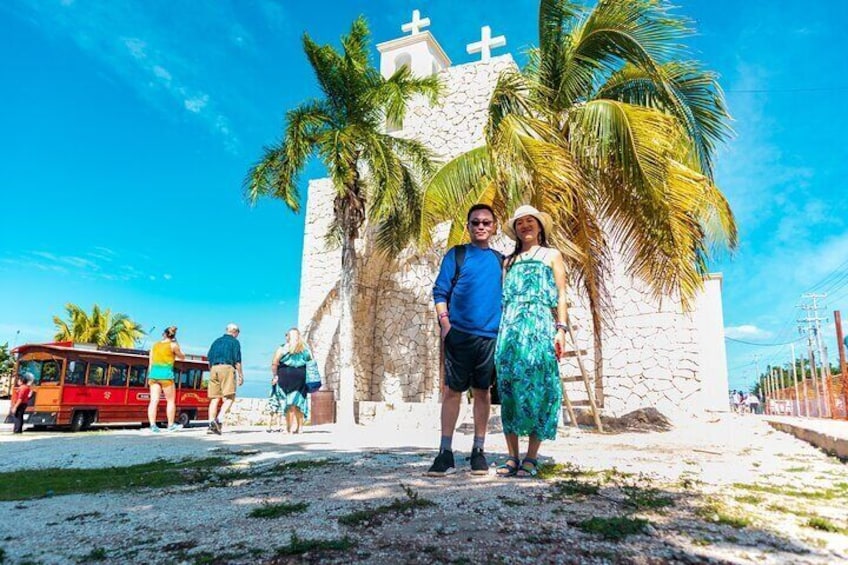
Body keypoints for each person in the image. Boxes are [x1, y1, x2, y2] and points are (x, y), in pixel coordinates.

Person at [428, 203, 503, 477]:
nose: (481, 226)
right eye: (475, 222)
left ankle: (478, 451)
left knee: (482, 392)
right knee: (452, 392)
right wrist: (445, 323)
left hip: (489, 337)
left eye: (486, 222)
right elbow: (439, 291)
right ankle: (445, 453)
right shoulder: (457, 255)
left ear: (494, 226)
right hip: (459, 335)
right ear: (468, 226)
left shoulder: (500, 261)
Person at [494, 205, 566, 478]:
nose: (525, 226)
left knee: (541, 386)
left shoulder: (552, 255)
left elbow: (560, 294)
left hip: (539, 326)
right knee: (509, 387)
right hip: (510, 329)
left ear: (539, 226)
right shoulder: (507, 262)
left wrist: (561, 329)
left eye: (529, 221)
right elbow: (503, 299)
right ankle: (512, 456)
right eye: (520, 223)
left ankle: (532, 457)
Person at [268, 328, 313, 434]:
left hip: (285, 376)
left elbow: (275, 363)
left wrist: (275, 376)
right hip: (301, 376)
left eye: (287, 335)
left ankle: (288, 428)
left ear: (289, 336)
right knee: (299, 401)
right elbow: (310, 361)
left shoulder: (283, 348)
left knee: (288, 402)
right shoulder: (305, 348)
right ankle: (300, 428)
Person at [147, 326, 186, 433]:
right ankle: (170, 425)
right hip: (166, 375)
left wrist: (150, 375)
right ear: (173, 335)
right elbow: (182, 357)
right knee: (170, 401)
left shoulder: (154, 345)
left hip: (153, 375)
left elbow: (150, 362)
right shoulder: (173, 345)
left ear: (163, 334)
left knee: (154, 401)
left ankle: (153, 425)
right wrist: (176, 342)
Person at [207, 323, 243, 435]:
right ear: (235, 332)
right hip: (227, 367)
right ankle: (219, 419)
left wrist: (212, 370)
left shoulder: (216, 341)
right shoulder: (234, 342)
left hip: (214, 368)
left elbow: (209, 357)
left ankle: (210, 425)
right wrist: (241, 375)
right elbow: (237, 361)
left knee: (214, 398)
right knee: (230, 397)